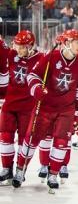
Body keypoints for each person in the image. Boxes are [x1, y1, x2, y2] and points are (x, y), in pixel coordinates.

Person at [13, 30, 78, 193]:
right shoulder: (50, 58)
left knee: (62, 142)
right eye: (77, 41)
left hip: (66, 111)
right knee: (31, 141)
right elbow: (32, 76)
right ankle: (20, 170)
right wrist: (36, 89)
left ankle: (53, 174)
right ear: (67, 43)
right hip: (45, 108)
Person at [0, 32, 44, 184]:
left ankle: (20, 169)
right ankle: (6, 169)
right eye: (16, 45)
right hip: (9, 105)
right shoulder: (11, 53)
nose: (17, 49)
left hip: (28, 108)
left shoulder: (41, 59)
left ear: (31, 46)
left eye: (22, 47)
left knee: (24, 141)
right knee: (5, 136)